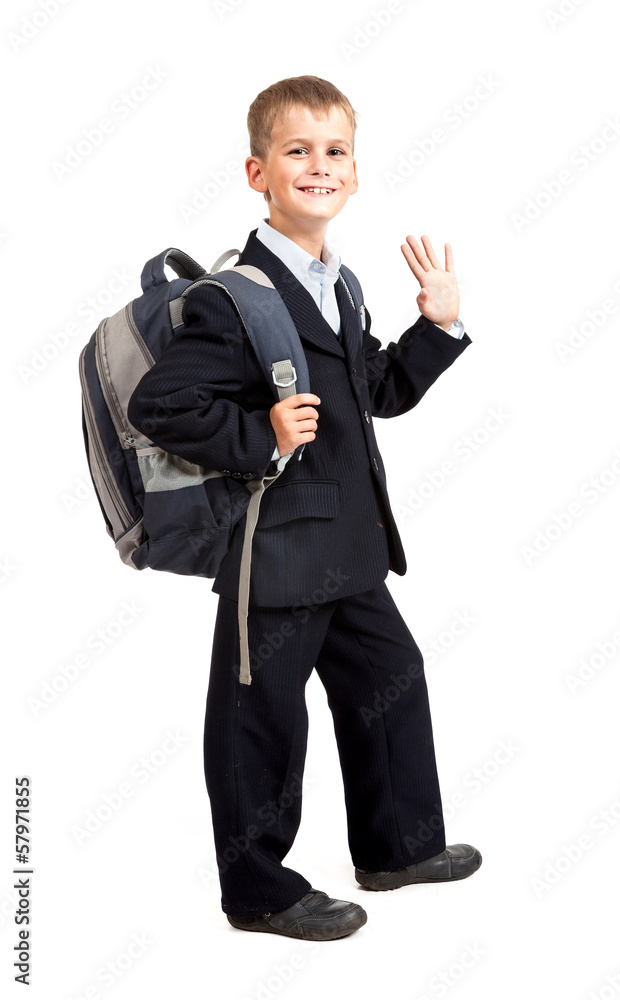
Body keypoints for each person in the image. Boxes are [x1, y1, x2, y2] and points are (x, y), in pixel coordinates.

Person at [127, 74, 481, 941]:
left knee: (388, 688)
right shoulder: (232, 297)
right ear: (258, 172)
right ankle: (259, 892)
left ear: (354, 174)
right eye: (297, 151)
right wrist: (264, 431)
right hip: (276, 553)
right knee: (261, 725)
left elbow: (378, 392)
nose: (318, 167)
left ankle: (397, 846)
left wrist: (435, 328)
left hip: (350, 547)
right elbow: (162, 408)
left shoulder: (340, 286)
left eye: (334, 153)